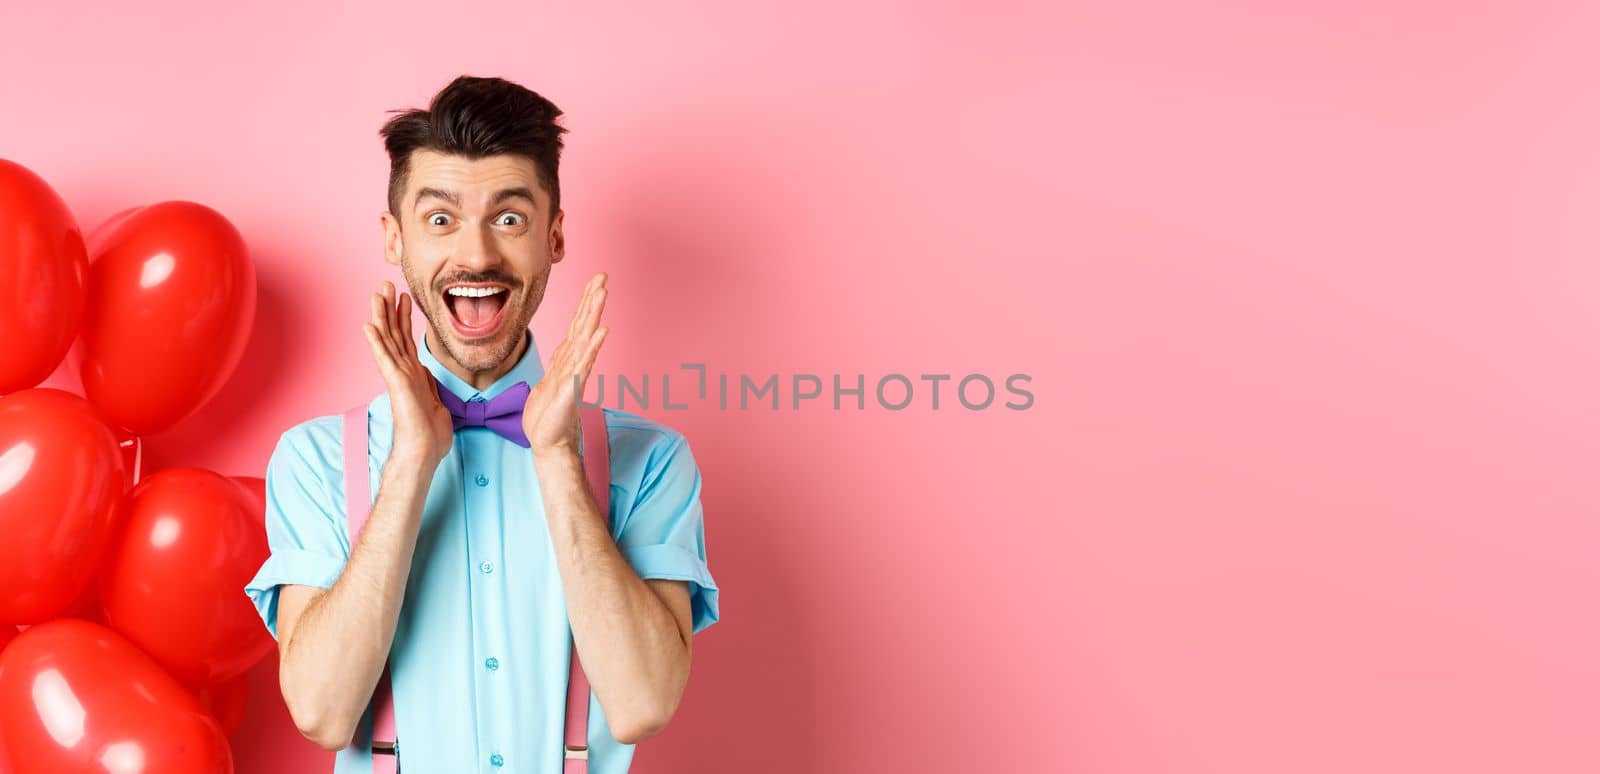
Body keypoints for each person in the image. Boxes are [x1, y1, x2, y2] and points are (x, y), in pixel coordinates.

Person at [243, 75, 720, 773]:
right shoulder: (314, 459)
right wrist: (409, 463)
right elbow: (321, 712)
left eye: (509, 219)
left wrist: (556, 456)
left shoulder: (651, 461)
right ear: (393, 237)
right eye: (440, 219)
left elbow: (644, 702)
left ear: (554, 236)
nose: (477, 256)